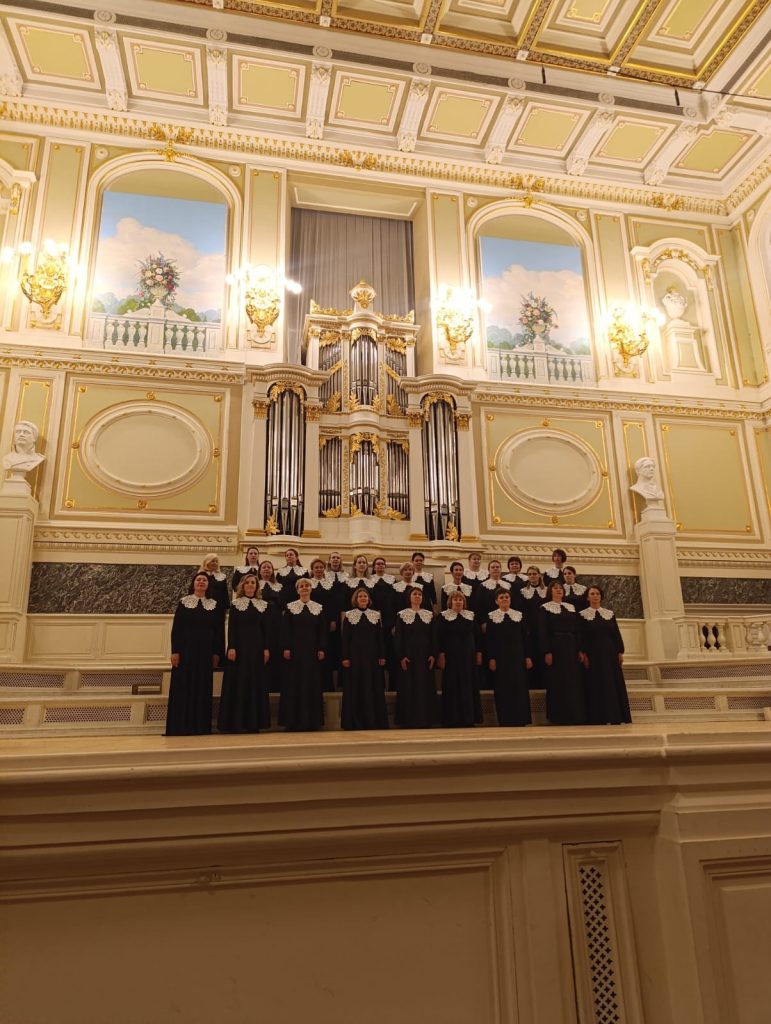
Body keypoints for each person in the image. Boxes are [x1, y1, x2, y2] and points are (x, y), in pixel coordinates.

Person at [165, 572, 219, 736]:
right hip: (186, 650)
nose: (201, 582)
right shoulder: (184, 602)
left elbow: (217, 631)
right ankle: (180, 725)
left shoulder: (214, 604)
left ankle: (200, 726)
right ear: (193, 583)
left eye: (204, 580)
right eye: (198, 580)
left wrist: (216, 653)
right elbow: (177, 629)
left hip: (205, 651)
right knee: (183, 686)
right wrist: (175, 651)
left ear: (208, 585)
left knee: (202, 686)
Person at [218, 575, 271, 733]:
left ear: (256, 586)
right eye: (247, 582)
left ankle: (253, 723)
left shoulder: (263, 605)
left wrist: (266, 648)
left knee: (255, 681)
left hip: (257, 648)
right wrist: (231, 647)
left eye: (253, 582)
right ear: (243, 585)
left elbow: (266, 629)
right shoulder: (236, 604)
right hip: (239, 648)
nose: (250, 585)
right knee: (239, 681)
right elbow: (232, 627)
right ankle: (236, 722)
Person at [579, 586, 631, 725]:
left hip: (610, 653)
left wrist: (620, 652)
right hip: (593, 653)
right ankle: (598, 717)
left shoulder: (609, 613)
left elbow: (616, 634)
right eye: (592, 594)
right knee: (596, 683)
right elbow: (581, 636)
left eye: (597, 593)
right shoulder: (582, 615)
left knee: (612, 683)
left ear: (601, 596)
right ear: (587, 597)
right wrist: (583, 652)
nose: (595, 596)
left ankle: (615, 716)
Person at [279, 578, 326, 731]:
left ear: (311, 588)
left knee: (312, 683)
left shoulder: (318, 608)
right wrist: (286, 647)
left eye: (307, 586)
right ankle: (293, 721)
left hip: (312, 651)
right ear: (297, 590)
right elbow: (286, 629)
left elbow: (322, 631)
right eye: (301, 586)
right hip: (295, 651)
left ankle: (312, 721)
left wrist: (321, 648)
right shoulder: (291, 607)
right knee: (294, 683)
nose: (304, 588)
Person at [538, 581, 586, 725]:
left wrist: (580, 649)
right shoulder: (545, 608)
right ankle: (558, 716)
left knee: (573, 680)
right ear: (550, 591)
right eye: (555, 588)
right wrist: (547, 651)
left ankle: (574, 714)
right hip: (555, 646)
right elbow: (542, 631)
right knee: (557, 680)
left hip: (571, 646)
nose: (558, 590)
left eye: (560, 588)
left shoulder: (571, 607)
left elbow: (577, 630)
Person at [340, 587, 388, 730]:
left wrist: (382, 655)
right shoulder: (349, 615)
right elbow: (345, 638)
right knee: (356, 687)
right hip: (355, 656)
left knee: (372, 687)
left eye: (365, 596)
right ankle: (355, 721)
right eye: (360, 596)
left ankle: (373, 721)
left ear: (369, 599)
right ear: (356, 599)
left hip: (372, 656)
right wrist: (345, 657)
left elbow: (380, 638)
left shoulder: (375, 615)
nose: (363, 598)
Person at [485, 589, 532, 727]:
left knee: (519, 687)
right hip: (500, 658)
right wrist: (491, 658)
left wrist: (528, 656)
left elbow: (525, 638)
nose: (504, 599)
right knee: (503, 688)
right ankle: (505, 719)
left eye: (506, 597)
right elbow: (489, 639)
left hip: (518, 656)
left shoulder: (519, 615)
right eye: (501, 597)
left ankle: (521, 719)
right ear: (496, 601)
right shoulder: (492, 616)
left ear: (510, 600)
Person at [393, 586, 437, 728]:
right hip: (409, 656)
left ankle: (426, 720)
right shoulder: (402, 614)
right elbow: (398, 637)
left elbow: (434, 637)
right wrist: (401, 656)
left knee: (425, 687)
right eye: (414, 594)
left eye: (419, 594)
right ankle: (408, 720)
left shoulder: (429, 615)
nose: (417, 596)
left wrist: (433, 654)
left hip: (425, 656)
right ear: (409, 597)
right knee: (409, 687)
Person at [436, 590, 482, 727]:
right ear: (450, 602)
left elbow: (478, 636)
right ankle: (452, 719)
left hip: (468, 658)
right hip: (451, 658)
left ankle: (469, 718)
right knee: (452, 686)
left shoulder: (471, 616)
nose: (458, 602)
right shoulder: (443, 617)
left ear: (464, 602)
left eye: (460, 600)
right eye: (455, 599)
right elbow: (438, 637)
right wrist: (441, 655)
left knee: (469, 686)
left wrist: (479, 653)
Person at [196, 554, 229, 664]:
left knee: (218, 634)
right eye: (212, 561)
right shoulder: (200, 576)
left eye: (216, 561)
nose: (214, 563)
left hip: (218, 611)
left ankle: (217, 661)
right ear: (207, 562)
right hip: (204, 609)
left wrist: (224, 612)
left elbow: (225, 595)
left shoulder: (222, 576)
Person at [257, 560, 283, 693]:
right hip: (260, 620)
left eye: (269, 567)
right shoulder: (255, 584)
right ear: (260, 570)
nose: (266, 569)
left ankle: (275, 684)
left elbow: (283, 605)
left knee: (275, 648)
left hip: (276, 621)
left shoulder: (279, 586)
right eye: (264, 567)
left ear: (273, 570)